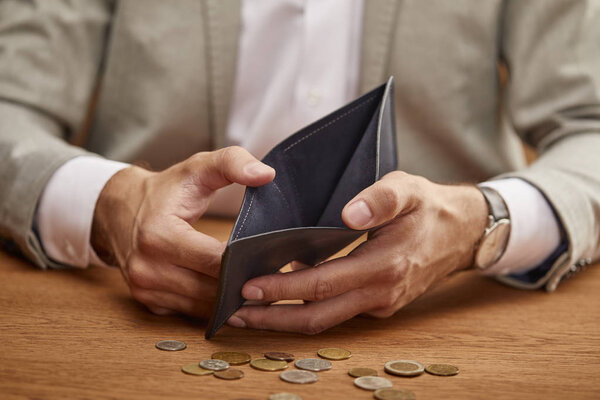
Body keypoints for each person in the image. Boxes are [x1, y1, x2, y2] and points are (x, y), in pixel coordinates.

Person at [0, 1, 599, 334]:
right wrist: (108, 201)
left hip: (451, 311)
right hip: (127, 311)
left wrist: (484, 222)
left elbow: (589, 127)